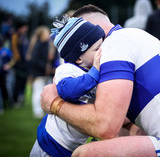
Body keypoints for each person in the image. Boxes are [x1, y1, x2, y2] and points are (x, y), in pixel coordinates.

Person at [41, 4, 160, 157]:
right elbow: (118, 127)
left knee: (86, 154)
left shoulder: (114, 44)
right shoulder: (135, 37)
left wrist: (55, 104)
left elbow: (105, 126)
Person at [30, 16, 105, 157]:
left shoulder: (91, 72)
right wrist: (94, 73)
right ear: (78, 58)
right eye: (97, 49)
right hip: (51, 143)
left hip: (71, 145)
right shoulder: (66, 70)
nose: (101, 52)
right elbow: (67, 91)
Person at [26, 26, 57, 118]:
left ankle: (45, 110)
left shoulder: (47, 44)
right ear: (42, 34)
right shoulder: (38, 45)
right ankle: (37, 112)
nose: (49, 34)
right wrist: (45, 67)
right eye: (47, 33)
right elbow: (34, 60)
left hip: (45, 74)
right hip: (38, 73)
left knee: (46, 92)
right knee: (38, 92)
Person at [4, 21, 29, 107]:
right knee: (17, 83)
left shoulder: (23, 36)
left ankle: (20, 99)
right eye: (24, 27)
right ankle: (15, 101)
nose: (26, 29)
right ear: (20, 28)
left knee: (23, 82)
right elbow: (14, 50)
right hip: (18, 63)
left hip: (23, 63)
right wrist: (15, 61)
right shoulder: (15, 36)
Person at [0, 34, 12, 113]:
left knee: (6, 89)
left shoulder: (5, 50)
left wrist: (9, 65)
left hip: (5, 74)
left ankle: (8, 103)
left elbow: (13, 59)